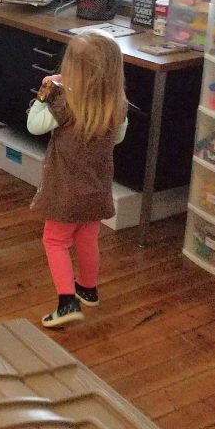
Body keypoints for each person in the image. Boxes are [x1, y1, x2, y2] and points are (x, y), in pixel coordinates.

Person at [26, 30, 128, 328]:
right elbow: (119, 138)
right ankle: (87, 287)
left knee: (55, 240)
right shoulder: (117, 106)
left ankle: (66, 301)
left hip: (65, 190)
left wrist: (44, 93)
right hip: (97, 189)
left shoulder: (64, 104)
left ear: (72, 70)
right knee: (87, 237)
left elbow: (34, 126)